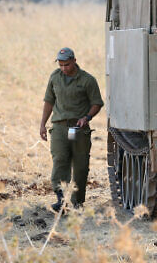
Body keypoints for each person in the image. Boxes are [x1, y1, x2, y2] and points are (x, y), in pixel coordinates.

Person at [39, 47, 104, 211]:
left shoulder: (88, 80)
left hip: (78, 129)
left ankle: (77, 201)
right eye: (60, 65)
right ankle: (61, 199)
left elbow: (97, 103)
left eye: (66, 64)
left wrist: (87, 118)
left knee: (80, 165)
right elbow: (48, 101)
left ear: (74, 61)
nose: (63, 68)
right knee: (60, 160)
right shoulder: (55, 77)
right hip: (60, 127)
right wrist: (42, 124)